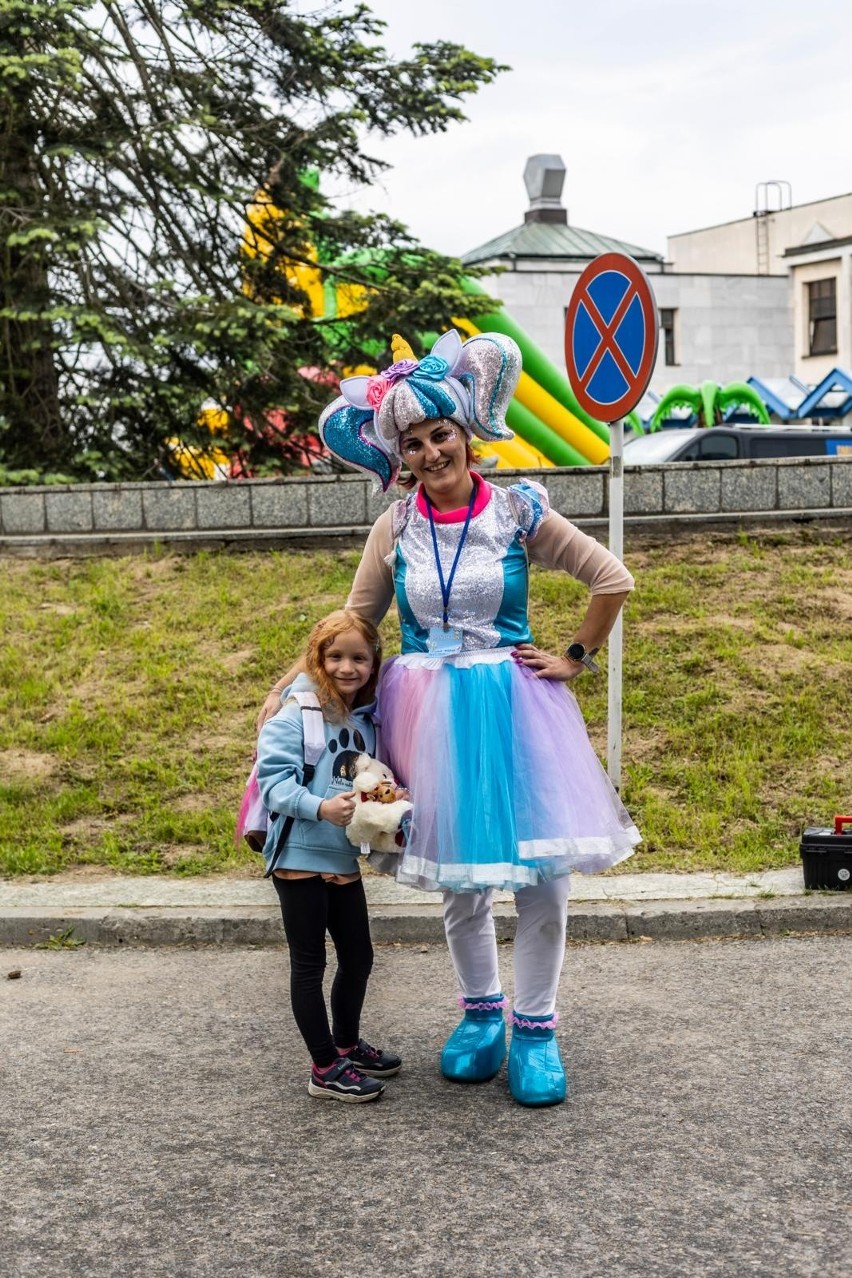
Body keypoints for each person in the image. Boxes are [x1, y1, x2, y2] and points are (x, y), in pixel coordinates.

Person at [258, 330, 641, 1107]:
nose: (431, 453)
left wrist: (575, 655)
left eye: (441, 434)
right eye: (414, 443)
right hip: (428, 713)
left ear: (466, 432)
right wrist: (287, 686)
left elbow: (612, 577)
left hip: (514, 709)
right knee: (460, 884)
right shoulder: (395, 527)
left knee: (542, 876)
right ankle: (480, 1016)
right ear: (397, 456)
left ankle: (536, 1029)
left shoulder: (516, 510)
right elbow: (355, 619)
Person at [255, 609, 402, 1103]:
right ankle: (324, 1068)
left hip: (341, 860)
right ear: (317, 659)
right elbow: (273, 784)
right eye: (335, 656)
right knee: (309, 964)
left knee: (359, 956)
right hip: (298, 856)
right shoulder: (295, 712)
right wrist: (319, 806)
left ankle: (345, 1044)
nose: (347, 667)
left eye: (359, 657)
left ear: (373, 662)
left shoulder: (364, 724)